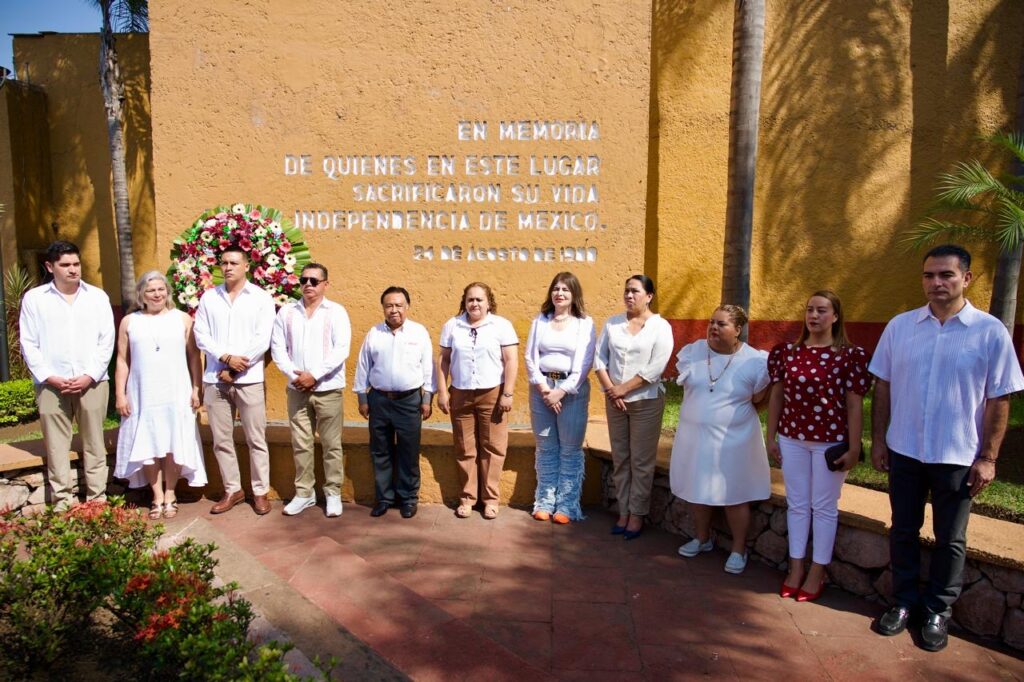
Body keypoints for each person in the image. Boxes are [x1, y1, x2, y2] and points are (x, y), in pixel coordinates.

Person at [870, 244, 1024, 652]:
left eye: (946, 275)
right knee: (902, 528)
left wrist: (988, 458)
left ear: (966, 279)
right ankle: (903, 602)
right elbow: (882, 386)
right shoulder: (900, 327)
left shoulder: (990, 332)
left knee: (950, 537)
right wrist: (880, 440)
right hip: (904, 449)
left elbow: (1000, 398)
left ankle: (938, 610)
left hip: (957, 456)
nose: (936, 283)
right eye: (929, 276)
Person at [766, 291, 871, 598]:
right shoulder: (787, 352)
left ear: (836, 316)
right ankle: (796, 566)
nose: (814, 316)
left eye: (822, 311)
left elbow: (854, 406)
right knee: (797, 504)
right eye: (810, 310)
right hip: (792, 439)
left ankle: (817, 571)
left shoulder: (851, 356)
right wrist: (770, 437)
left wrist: (854, 448)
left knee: (823, 507)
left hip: (830, 444)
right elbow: (777, 396)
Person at [671, 305, 770, 573]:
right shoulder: (694, 351)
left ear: (738, 330)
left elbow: (762, 399)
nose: (713, 327)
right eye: (711, 322)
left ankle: (739, 549)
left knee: (735, 494)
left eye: (722, 324)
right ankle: (702, 539)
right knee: (696, 488)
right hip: (694, 437)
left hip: (734, 440)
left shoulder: (755, 362)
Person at [19, 241, 115, 510]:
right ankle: (63, 501)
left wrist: (89, 375)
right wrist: (49, 377)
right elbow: (29, 343)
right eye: (65, 265)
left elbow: (106, 341)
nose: (73, 270)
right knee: (56, 445)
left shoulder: (97, 297)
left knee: (95, 441)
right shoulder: (35, 300)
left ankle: (97, 499)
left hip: (92, 383)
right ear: (50, 267)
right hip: (51, 385)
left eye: (76, 264)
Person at [114, 271, 207, 519]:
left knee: (173, 442)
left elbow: (194, 358)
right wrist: (120, 395)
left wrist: (197, 389)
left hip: (176, 389)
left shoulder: (183, 319)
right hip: (142, 391)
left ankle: (170, 494)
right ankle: (156, 496)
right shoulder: (129, 322)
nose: (157, 294)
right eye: (151, 290)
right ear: (141, 295)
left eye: (161, 289)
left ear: (168, 292)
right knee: (148, 444)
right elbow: (122, 360)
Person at [193, 245, 276, 515]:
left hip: (249, 379)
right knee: (221, 439)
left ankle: (260, 491)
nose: (228, 267)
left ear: (246, 266)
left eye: (233, 263)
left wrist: (237, 366)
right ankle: (233, 490)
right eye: (224, 263)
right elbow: (201, 334)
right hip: (215, 379)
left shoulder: (261, 298)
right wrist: (225, 357)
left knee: (256, 438)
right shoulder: (209, 298)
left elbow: (263, 339)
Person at [594, 274, 674, 540]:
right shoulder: (613, 323)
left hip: (645, 402)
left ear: (649, 296)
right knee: (621, 457)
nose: (629, 296)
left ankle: (637, 514)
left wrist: (624, 389)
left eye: (635, 291)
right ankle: (623, 510)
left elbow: (655, 367)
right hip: (614, 401)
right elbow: (599, 359)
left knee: (641, 460)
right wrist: (611, 390)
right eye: (626, 291)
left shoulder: (660, 327)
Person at [270, 263, 351, 518]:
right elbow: (278, 349)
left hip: (328, 388)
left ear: (326, 284)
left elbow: (341, 349)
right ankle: (304, 494)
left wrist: (314, 375)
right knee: (301, 444)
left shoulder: (336, 312)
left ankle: (333, 493)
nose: (308, 285)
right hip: (297, 389)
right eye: (304, 280)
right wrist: (295, 375)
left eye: (314, 281)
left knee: (331, 444)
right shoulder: (286, 312)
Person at [437, 282, 519, 520]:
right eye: (470, 299)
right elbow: (443, 361)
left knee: (493, 447)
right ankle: (467, 498)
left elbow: (511, 360)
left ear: (488, 302)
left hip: (492, 393)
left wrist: (508, 393)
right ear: (464, 301)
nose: (474, 304)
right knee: (465, 447)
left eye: (479, 300)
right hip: (461, 393)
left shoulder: (501, 325)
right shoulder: (453, 326)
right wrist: (443, 392)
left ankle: (490, 499)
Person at [353, 286, 435, 519]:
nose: (394, 310)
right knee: (381, 451)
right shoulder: (374, 333)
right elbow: (363, 366)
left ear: (407, 307)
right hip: (379, 400)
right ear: (383, 308)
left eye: (399, 305)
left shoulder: (419, 332)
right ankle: (384, 497)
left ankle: (408, 498)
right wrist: (362, 398)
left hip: (409, 401)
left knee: (409, 452)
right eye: (389, 305)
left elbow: (428, 368)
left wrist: (427, 399)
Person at [524, 272, 595, 524]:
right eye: (556, 288)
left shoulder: (584, 323)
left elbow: (585, 361)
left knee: (569, 449)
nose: (560, 293)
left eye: (565, 289)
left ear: (574, 294)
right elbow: (530, 358)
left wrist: (562, 391)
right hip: (542, 389)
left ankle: (566, 505)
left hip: (571, 392)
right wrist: (545, 389)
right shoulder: (540, 321)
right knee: (545, 447)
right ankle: (544, 501)